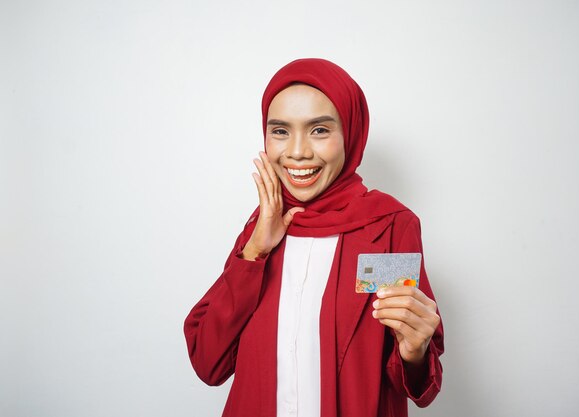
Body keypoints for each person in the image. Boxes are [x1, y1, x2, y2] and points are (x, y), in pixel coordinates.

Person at [184, 58, 444, 417]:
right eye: (280, 131)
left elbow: (416, 382)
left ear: (350, 133)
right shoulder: (262, 227)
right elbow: (207, 361)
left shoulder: (386, 226)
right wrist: (256, 251)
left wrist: (414, 351)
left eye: (319, 130)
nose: (297, 152)